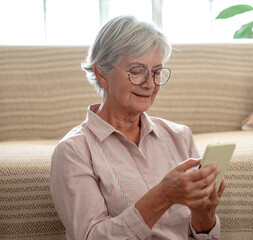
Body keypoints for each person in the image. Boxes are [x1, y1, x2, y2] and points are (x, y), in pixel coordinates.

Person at [50, 15, 225, 240]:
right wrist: (162, 196)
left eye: (156, 72)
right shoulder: (74, 150)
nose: (150, 83)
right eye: (136, 70)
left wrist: (205, 214)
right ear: (101, 74)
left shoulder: (180, 136)